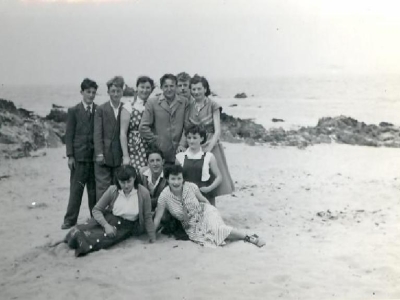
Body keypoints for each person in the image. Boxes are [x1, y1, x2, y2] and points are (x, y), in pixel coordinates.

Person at [153, 165, 265, 248]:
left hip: (204, 211)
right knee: (210, 240)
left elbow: (203, 200)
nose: (176, 182)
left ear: (183, 179)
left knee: (217, 229)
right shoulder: (164, 196)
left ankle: (249, 237)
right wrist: (151, 235)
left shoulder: (191, 187)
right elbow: (157, 217)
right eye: (173, 179)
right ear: (167, 179)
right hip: (191, 226)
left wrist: (212, 214)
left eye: (179, 179)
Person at [64, 165, 156, 257]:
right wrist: (106, 225)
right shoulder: (113, 190)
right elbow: (96, 210)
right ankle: (68, 239)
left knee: (98, 239)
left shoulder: (143, 193)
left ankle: (77, 242)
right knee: (82, 228)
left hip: (124, 227)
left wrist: (153, 238)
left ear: (134, 178)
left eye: (129, 181)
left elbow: (147, 217)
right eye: (122, 182)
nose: (126, 185)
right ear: (118, 181)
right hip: (108, 219)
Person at [185, 74, 235, 203]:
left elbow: (217, 130)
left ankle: (211, 211)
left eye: (199, 89)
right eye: (193, 89)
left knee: (211, 179)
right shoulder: (189, 106)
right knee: (195, 178)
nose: (196, 92)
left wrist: (209, 148)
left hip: (210, 145)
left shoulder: (213, 105)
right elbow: (187, 128)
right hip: (194, 146)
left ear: (206, 89)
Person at [61, 78, 98, 230]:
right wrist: (70, 156)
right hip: (79, 157)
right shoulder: (73, 111)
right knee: (76, 190)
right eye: (88, 92)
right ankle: (70, 219)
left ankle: (94, 217)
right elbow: (69, 135)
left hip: (94, 157)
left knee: (93, 191)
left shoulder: (98, 110)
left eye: (93, 92)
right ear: (82, 92)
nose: (91, 95)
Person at [139, 74, 189, 166]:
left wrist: (182, 144)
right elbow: (143, 127)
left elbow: (187, 126)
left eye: (171, 86)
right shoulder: (152, 102)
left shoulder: (184, 102)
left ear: (176, 86)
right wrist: (157, 142)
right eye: (166, 86)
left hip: (180, 152)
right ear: (161, 87)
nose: (169, 89)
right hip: (161, 155)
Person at [94, 76, 124, 201]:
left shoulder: (125, 108)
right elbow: (97, 133)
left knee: (119, 187)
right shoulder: (101, 109)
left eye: (118, 91)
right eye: (113, 91)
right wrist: (99, 153)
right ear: (108, 92)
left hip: (119, 155)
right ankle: (100, 214)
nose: (115, 94)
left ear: (122, 91)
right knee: (103, 187)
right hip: (104, 155)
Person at [176, 124, 222, 206]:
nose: (191, 141)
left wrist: (209, 188)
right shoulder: (180, 157)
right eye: (189, 138)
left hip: (204, 196)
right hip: (185, 196)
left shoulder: (209, 156)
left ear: (202, 138)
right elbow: (176, 178)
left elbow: (219, 177)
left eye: (194, 138)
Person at [120, 76, 154, 170]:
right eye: (142, 87)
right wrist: (125, 156)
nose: (145, 90)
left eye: (148, 88)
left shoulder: (153, 104)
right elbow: (123, 133)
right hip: (134, 147)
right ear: (137, 88)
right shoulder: (129, 105)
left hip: (150, 146)